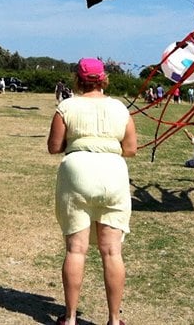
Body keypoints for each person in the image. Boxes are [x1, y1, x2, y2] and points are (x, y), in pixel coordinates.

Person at [47, 58, 136, 325]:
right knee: (112, 252)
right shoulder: (120, 108)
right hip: (113, 174)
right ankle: (113, 319)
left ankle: (71, 318)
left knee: (76, 250)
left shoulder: (67, 106)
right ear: (104, 78)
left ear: (77, 79)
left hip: (77, 172)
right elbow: (131, 148)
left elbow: (54, 146)